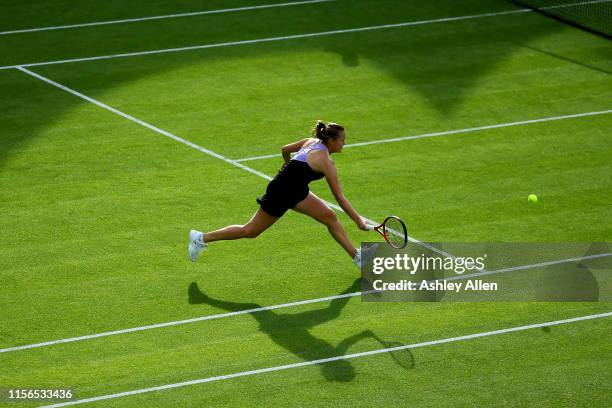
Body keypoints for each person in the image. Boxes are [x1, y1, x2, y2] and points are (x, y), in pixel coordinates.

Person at [188, 120, 370, 267]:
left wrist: (286, 164)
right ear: (331, 140)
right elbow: (339, 196)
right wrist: (358, 221)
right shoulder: (326, 162)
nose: (344, 143)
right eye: (342, 140)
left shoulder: (311, 141)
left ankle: (356, 257)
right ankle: (201, 238)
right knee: (250, 231)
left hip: (296, 191)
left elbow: (285, 149)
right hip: (282, 193)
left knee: (329, 216)